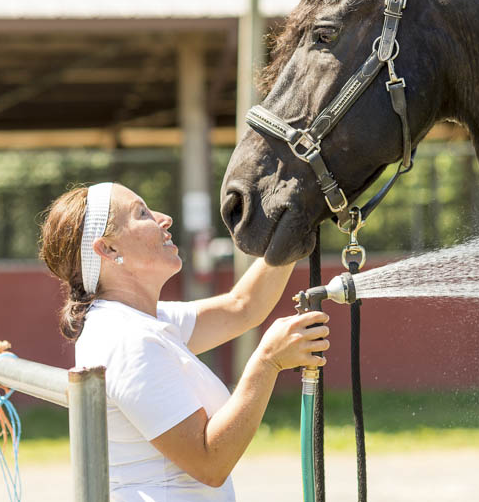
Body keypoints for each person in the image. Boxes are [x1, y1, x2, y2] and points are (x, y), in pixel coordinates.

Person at [39, 181, 330, 501]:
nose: (164, 218)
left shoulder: (140, 319)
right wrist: (267, 361)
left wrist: (297, 223)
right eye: (142, 213)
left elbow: (242, 307)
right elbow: (209, 462)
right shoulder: (126, 341)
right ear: (108, 249)